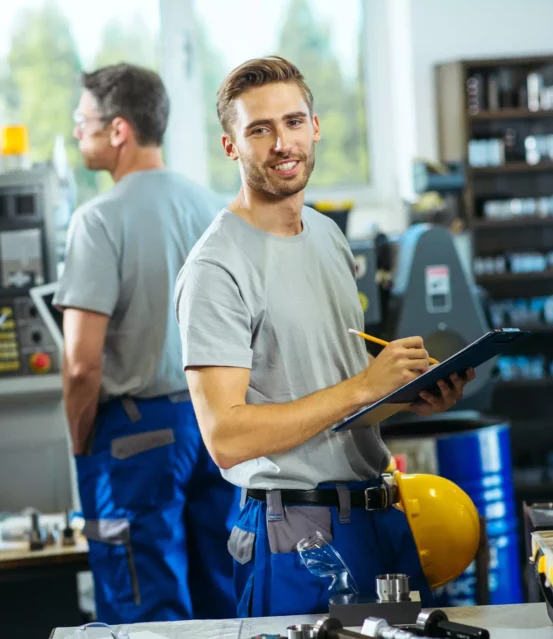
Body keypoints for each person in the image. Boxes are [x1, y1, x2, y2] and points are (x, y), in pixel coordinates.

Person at [173, 56, 476, 618]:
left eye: (292, 122)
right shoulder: (216, 268)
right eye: (258, 129)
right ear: (231, 147)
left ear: (314, 127)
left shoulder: (329, 237)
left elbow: (328, 401)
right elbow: (227, 438)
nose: (281, 143)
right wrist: (364, 386)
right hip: (296, 534)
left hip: (379, 517)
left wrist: (408, 395)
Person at [55, 63, 238, 624]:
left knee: (145, 611)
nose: (74, 130)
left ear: (118, 130)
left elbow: (82, 365)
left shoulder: (98, 220)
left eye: (82, 120)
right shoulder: (217, 207)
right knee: (222, 599)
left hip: (135, 436)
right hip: (218, 426)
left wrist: (81, 442)